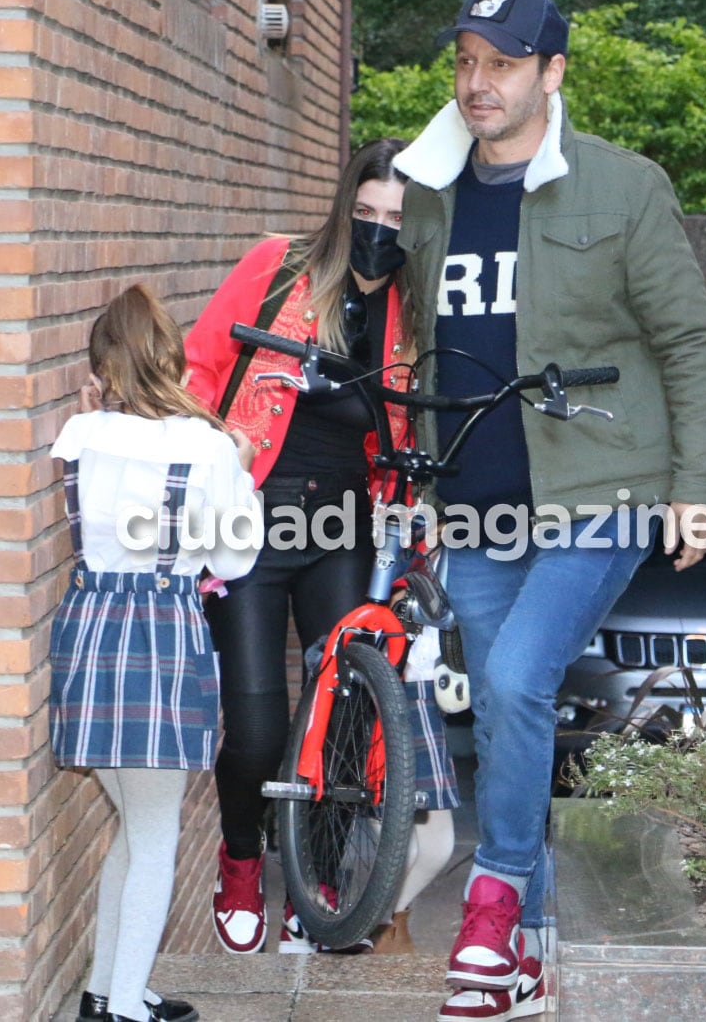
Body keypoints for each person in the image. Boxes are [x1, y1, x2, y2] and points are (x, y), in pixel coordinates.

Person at [392, 0, 706, 1021]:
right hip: (481, 500)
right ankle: (530, 953)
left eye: (502, 62)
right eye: (466, 61)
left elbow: (685, 342)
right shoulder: (431, 192)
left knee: (519, 673)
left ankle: (488, 908)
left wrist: (695, 488)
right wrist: (427, 478)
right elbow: (424, 347)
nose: (478, 82)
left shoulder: (622, 187)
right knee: (501, 706)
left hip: (601, 485)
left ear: (552, 72)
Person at [184, 137, 459, 957]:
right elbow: (203, 366)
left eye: (396, 219)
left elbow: (420, 421)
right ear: (346, 207)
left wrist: (428, 501)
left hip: (345, 529)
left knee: (344, 715)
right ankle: (242, 860)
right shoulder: (280, 267)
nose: (379, 230)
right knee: (261, 725)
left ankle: (322, 877)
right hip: (253, 525)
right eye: (367, 211)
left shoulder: (414, 307)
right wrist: (199, 446)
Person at [48, 285, 259, 1022]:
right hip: (159, 635)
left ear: (103, 364)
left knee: (134, 827)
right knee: (155, 832)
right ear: (170, 356)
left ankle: (108, 992)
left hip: (89, 627)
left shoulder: (80, 435)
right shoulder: (203, 445)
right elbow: (233, 560)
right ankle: (122, 1009)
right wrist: (239, 464)